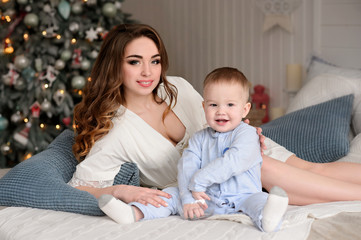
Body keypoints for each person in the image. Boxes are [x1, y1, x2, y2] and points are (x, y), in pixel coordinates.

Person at [68, 23, 361, 212]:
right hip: (222, 185)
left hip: (247, 155)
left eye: (154, 61)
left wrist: (247, 133)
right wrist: (122, 190)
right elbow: (79, 187)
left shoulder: (178, 88)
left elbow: (220, 119)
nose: (148, 72)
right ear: (115, 67)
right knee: (265, 169)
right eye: (135, 62)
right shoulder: (116, 131)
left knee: (315, 169)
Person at [97, 67, 289, 232]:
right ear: (204, 106)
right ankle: (134, 212)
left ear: (245, 109)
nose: (221, 111)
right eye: (213, 105)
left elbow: (232, 162)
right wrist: (188, 198)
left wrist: (199, 182)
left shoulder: (247, 135)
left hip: (243, 197)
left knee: (260, 200)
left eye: (230, 105)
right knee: (170, 195)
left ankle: (268, 218)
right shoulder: (199, 138)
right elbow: (186, 166)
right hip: (206, 199)